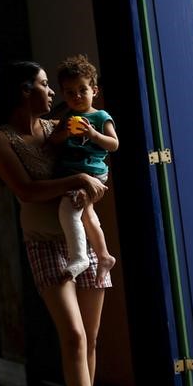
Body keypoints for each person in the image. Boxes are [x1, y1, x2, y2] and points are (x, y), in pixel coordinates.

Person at [0, 60, 111, 386]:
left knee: (91, 339)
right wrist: (79, 178)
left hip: (82, 238)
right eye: (44, 83)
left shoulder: (61, 125)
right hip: (43, 241)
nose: (53, 91)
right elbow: (25, 190)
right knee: (74, 336)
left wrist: (94, 167)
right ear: (25, 90)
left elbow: (100, 155)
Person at [48, 54, 118, 285]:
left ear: (94, 91)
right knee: (88, 217)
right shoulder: (67, 118)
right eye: (69, 92)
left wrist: (93, 135)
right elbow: (53, 143)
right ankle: (104, 256)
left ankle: (80, 258)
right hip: (73, 175)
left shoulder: (100, 116)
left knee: (68, 211)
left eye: (82, 90)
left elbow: (114, 144)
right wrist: (65, 133)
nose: (76, 96)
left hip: (93, 173)